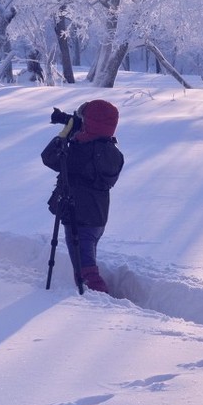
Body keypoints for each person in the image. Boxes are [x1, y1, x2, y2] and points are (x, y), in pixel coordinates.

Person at [41, 99, 124, 293]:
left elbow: (49, 157)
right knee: (88, 259)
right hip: (98, 218)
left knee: (85, 271)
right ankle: (95, 295)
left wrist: (65, 134)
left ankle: (100, 302)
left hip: (78, 218)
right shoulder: (114, 153)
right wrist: (78, 131)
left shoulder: (79, 152)